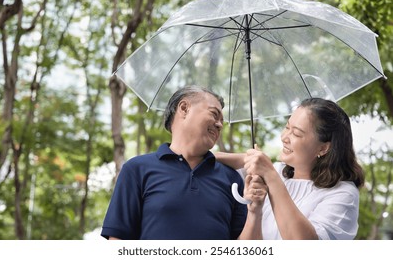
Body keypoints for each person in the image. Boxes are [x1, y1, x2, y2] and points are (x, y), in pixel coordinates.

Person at [101, 85, 267, 240]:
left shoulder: (232, 178)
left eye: (221, 121)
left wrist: (255, 210)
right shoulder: (137, 169)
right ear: (184, 108)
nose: (219, 125)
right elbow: (118, 241)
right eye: (214, 114)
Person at [215, 97, 365, 240]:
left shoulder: (343, 194)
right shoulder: (279, 171)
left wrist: (271, 176)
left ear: (323, 148)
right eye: (287, 127)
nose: (284, 137)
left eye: (296, 134)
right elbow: (239, 161)